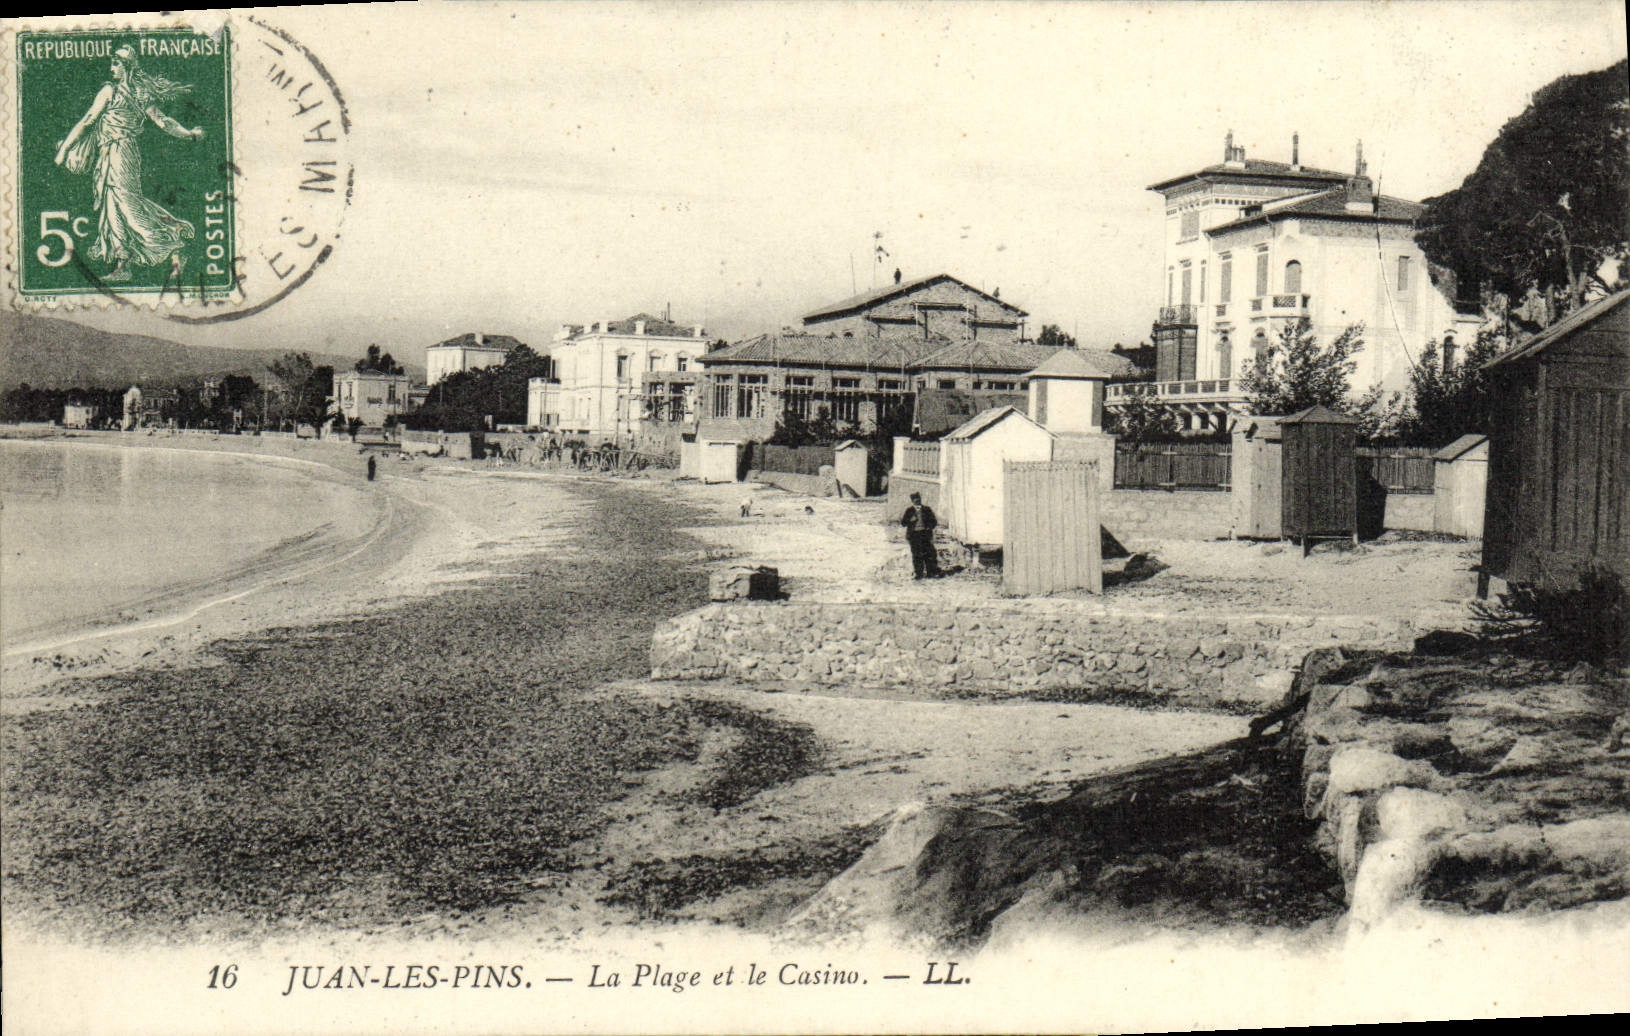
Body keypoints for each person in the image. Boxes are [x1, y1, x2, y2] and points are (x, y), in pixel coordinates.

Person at [54, 46, 205, 283]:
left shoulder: (110, 90)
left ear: (126, 67)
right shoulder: (140, 92)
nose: (111, 68)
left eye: (115, 64)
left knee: (126, 206)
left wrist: (63, 150)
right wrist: (189, 134)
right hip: (116, 153)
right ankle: (123, 263)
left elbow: (88, 120)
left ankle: (172, 244)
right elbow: (163, 122)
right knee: (114, 205)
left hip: (119, 153)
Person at [900, 492, 939, 579]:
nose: (917, 501)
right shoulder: (909, 510)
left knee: (928, 554)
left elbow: (934, 522)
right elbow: (903, 523)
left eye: (918, 499)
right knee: (917, 555)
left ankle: (930, 573)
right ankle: (919, 574)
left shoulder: (927, 509)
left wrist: (929, 527)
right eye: (915, 499)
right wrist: (910, 520)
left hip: (925, 534)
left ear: (920, 499)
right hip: (914, 535)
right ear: (912, 501)